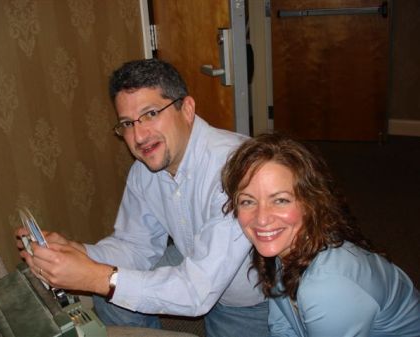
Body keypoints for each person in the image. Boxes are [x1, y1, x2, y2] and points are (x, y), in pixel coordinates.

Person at [15, 58, 269, 337]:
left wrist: (94, 276)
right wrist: (77, 253)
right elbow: (135, 246)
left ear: (187, 109)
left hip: (251, 298)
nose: (139, 136)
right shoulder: (144, 171)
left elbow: (198, 291)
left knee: (106, 281)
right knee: (109, 289)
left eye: (150, 114)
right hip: (192, 260)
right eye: (127, 123)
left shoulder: (238, 169)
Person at [221, 133, 420, 337]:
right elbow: (282, 324)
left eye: (280, 200)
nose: (261, 219)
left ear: (311, 204)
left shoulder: (327, 285)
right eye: (247, 201)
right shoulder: (289, 246)